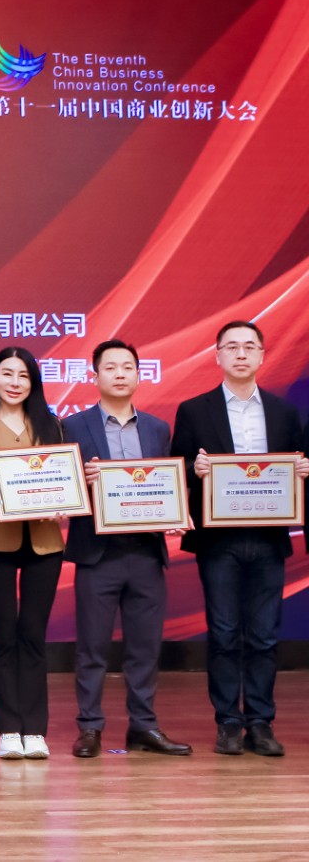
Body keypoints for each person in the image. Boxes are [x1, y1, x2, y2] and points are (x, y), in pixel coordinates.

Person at [172, 320, 309, 758]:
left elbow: (296, 466)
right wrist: (193, 471)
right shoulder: (194, 410)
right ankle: (228, 722)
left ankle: (261, 722)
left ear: (263, 356)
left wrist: (303, 470)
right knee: (225, 633)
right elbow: (175, 469)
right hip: (219, 542)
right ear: (217, 356)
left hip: (268, 539)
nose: (241, 354)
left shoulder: (283, 412)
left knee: (265, 635)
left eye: (250, 346)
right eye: (231, 347)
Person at [62, 339, 191, 758]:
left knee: (145, 647)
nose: (120, 374)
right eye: (110, 367)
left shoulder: (157, 428)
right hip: (97, 553)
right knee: (92, 648)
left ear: (139, 374)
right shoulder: (72, 426)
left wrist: (176, 512)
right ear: (95, 375)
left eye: (127, 367)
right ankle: (90, 727)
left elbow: (165, 485)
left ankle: (144, 726)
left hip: (146, 553)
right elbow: (61, 488)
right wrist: (81, 479)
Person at [0, 347, 66, 760]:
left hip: (45, 542)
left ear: (33, 382)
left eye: (23, 375)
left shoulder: (51, 424)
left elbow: (63, 478)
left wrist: (63, 499)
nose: (14, 382)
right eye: (6, 374)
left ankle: (36, 730)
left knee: (34, 634)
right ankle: (9, 729)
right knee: (3, 635)